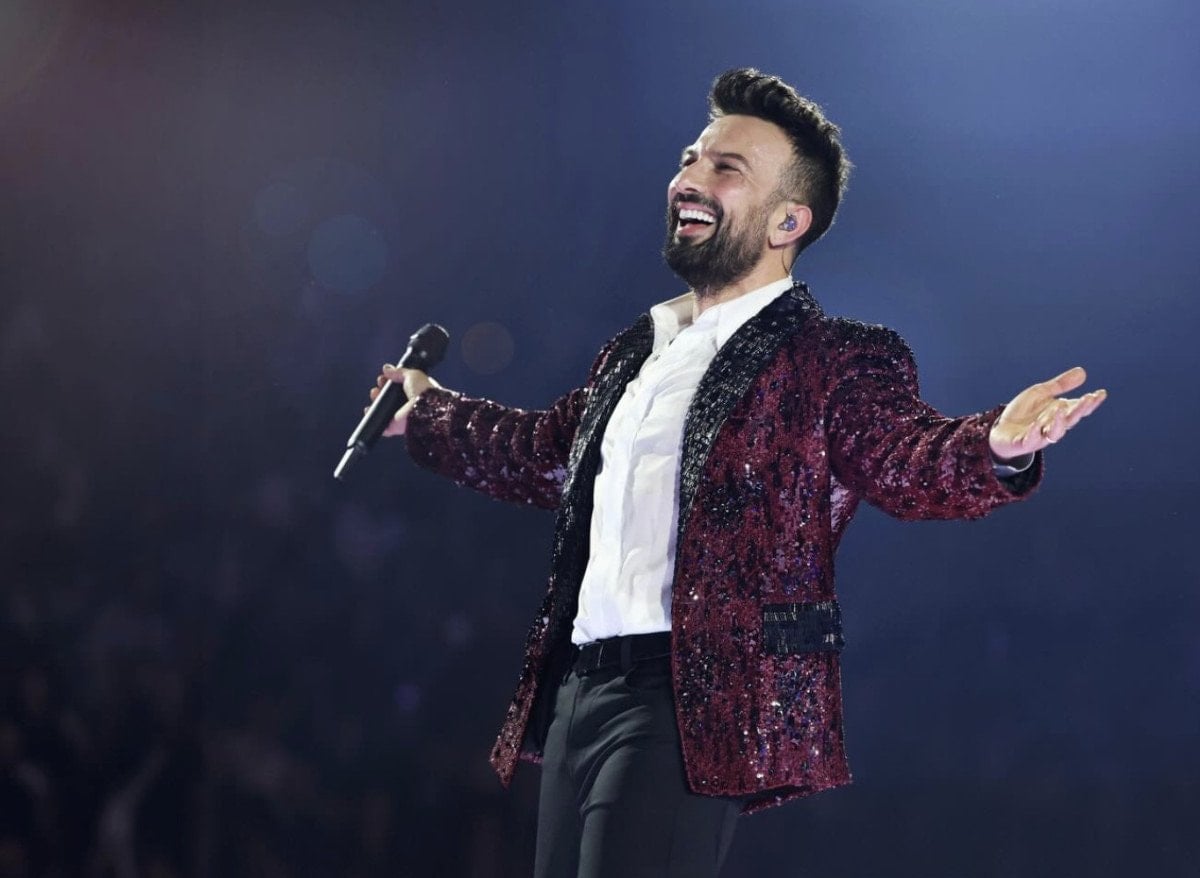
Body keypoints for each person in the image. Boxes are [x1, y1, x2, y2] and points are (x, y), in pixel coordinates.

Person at [367, 68, 1106, 878]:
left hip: (692, 697)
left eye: (727, 167)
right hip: (580, 689)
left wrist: (995, 445)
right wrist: (427, 411)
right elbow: (546, 454)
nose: (689, 177)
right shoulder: (635, 355)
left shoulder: (828, 357)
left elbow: (902, 454)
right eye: (691, 157)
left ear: (789, 219)